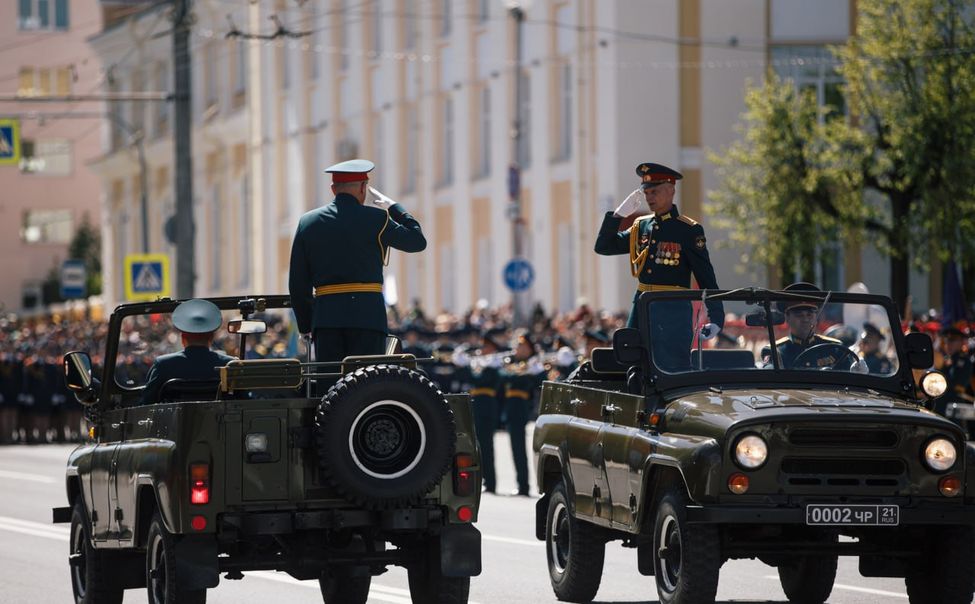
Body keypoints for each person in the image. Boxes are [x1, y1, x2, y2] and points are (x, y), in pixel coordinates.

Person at [289, 159, 427, 364]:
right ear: (363, 188)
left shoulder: (308, 222)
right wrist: (394, 207)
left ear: (333, 189)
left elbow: (298, 283)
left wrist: (306, 325)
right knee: (365, 388)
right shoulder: (377, 219)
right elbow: (417, 241)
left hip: (326, 320)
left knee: (330, 388)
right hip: (367, 318)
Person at [594, 162, 724, 371]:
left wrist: (717, 317)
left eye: (654, 192)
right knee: (634, 368)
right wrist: (617, 216)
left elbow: (706, 276)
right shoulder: (642, 226)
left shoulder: (688, 230)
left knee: (673, 370)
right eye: (646, 193)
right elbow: (604, 247)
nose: (649, 197)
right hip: (642, 309)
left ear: (671, 190)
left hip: (672, 312)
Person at [141, 299, 235, 405]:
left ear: (183, 339)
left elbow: (147, 403)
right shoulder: (230, 365)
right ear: (211, 338)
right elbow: (244, 401)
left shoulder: (163, 365)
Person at [500, 331, 547, 496]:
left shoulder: (532, 365)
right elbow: (503, 378)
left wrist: (537, 371)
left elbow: (541, 382)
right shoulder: (513, 364)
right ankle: (522, 484)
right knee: (515, 449)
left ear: (529, 349)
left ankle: (525, 486)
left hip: (522, 409)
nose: (517, 349)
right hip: (510, 409)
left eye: (521, 346)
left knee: (521, 449)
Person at [763, 282, 852, 369]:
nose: (805, 319)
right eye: (799, 315)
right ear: (787, 318)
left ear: (816, 317)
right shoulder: (776, 351)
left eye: (809, 314)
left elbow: (849, 376)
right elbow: (769, 375)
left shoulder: (835, 348)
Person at [934, 326, 973, 417]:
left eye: (952, 341)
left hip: (954, 407)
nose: (948, 344)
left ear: (961, 343)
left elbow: (959, 385)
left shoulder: (964, 361)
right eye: (947, 341)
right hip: (940, 405)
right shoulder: (945, 360)